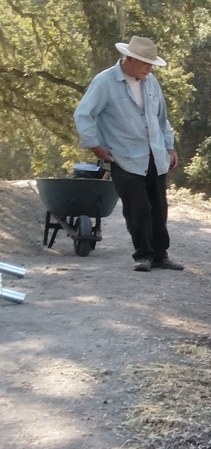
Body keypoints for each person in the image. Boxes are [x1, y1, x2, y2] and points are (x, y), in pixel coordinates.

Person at [74, 35, 184, 272]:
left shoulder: (151, 82)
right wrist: (94, 145)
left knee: (159, 207)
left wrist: (169, 146)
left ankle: (160, 256)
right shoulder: (104, 82)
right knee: (138, 208)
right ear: (130, 59)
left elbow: (162, 119)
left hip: (155, 154)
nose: (150, 68)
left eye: (152, 63)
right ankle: (143, 255)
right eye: (146, 63)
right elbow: (84, 114)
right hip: (124, 156)